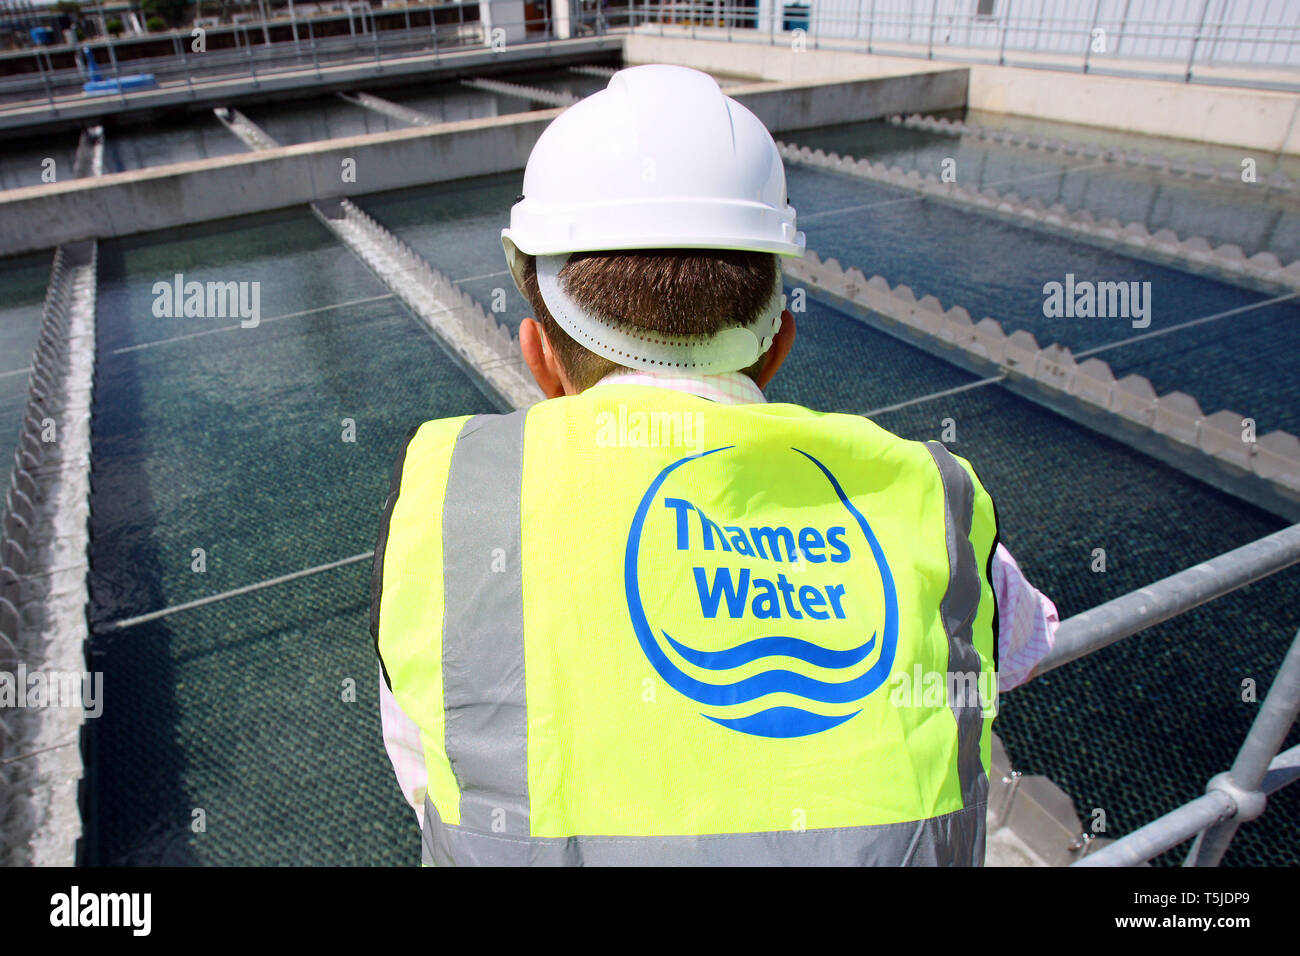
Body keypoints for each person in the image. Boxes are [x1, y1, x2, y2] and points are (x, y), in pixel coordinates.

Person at [371, 63, 1058, 866]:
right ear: (777, 348)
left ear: (538, 358)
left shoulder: (446, 515)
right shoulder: (927, 500)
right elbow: (1026, 643)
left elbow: (428, 767)